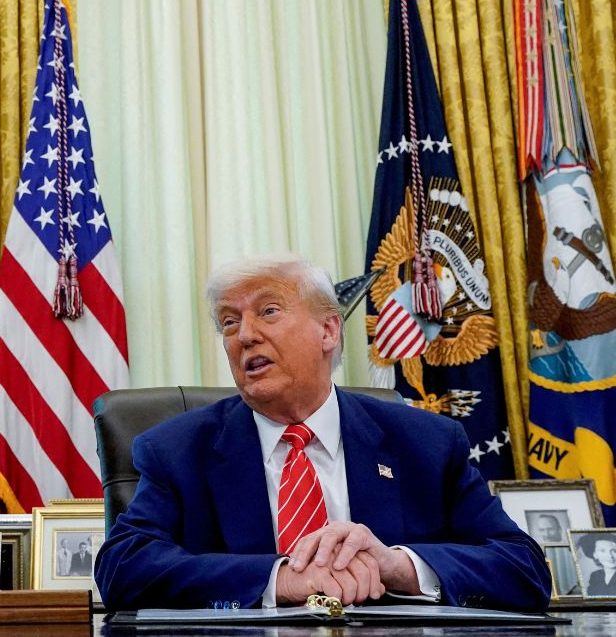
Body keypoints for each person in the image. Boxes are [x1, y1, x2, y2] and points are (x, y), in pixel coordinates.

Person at [94, 254, 551, 611]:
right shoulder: (178, 449)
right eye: (229, 322)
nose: (244, 336)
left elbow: (524, 569)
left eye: (268, 311)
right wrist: (283, 580)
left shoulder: (426, 443)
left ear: (329, 330)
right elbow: (124, 568)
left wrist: (397, 566)